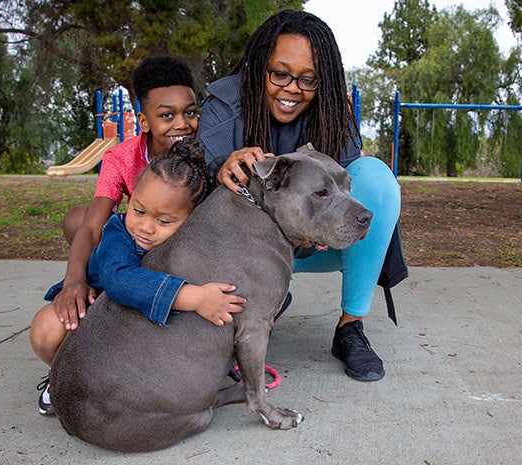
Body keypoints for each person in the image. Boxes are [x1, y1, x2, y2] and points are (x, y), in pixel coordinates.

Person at [196, 10, 403, 383]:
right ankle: (264, 299)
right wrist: (218, 168)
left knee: (376, 177)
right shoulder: (224, 105)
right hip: (242, 254)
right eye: (280, 74)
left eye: (308, 79)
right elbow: (189, 198)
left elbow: (347, 188)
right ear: (260, 67)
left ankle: (350, 328)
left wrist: (326, 213)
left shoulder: (332, 112)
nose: (293, 88)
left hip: (314, 248)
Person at [31, 139, 246, 415]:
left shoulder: (193, 240)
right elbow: (119, 280)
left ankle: (152, 384)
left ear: (192, 220)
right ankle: (65, 375)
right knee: (46, 329)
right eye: (139, 210)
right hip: (100, 313)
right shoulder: (119, 234)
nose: (145, 227)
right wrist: (195, 297)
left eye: (163, 221)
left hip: (142, 329)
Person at [56, 54, 200, 334]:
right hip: (144, 244)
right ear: (144, 122)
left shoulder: (203, 153)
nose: (182, 124)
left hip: (185, 247)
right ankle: (113, 285)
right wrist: (73, 279)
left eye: (190, 112)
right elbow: (93, 224)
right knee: (78, 219)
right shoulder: (121, 157)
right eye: (167, 115)